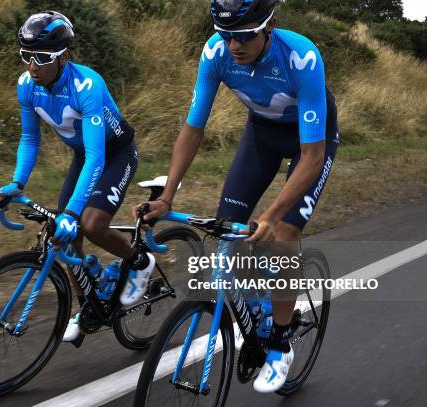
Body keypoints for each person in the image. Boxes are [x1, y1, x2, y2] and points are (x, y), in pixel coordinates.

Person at [134, 0, 339, 393]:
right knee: (231, 233)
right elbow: (194, 128)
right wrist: (167, 197)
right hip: (261, 136)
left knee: (282, 235)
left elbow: (312, 158)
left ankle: (280, 341)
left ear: (270, 26)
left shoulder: (302, 58)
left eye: (244, 35)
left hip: (310, 141)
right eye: (225, 35)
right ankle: (257, 309)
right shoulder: (216, 53)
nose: (234, 45)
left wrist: (275, 213)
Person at [0, 10, 155, 343]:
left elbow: (99, 155)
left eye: (41, 57)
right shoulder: (27, 86)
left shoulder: (86, 85)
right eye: (27, 56)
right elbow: (30, 138)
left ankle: (139, 261)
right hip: (86, 156)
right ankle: (89, 305)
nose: (32, 66)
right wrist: (17, 183)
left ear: (64, 56)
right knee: (63, 238)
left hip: (116, 154)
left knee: (92, 224)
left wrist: (71, 213)